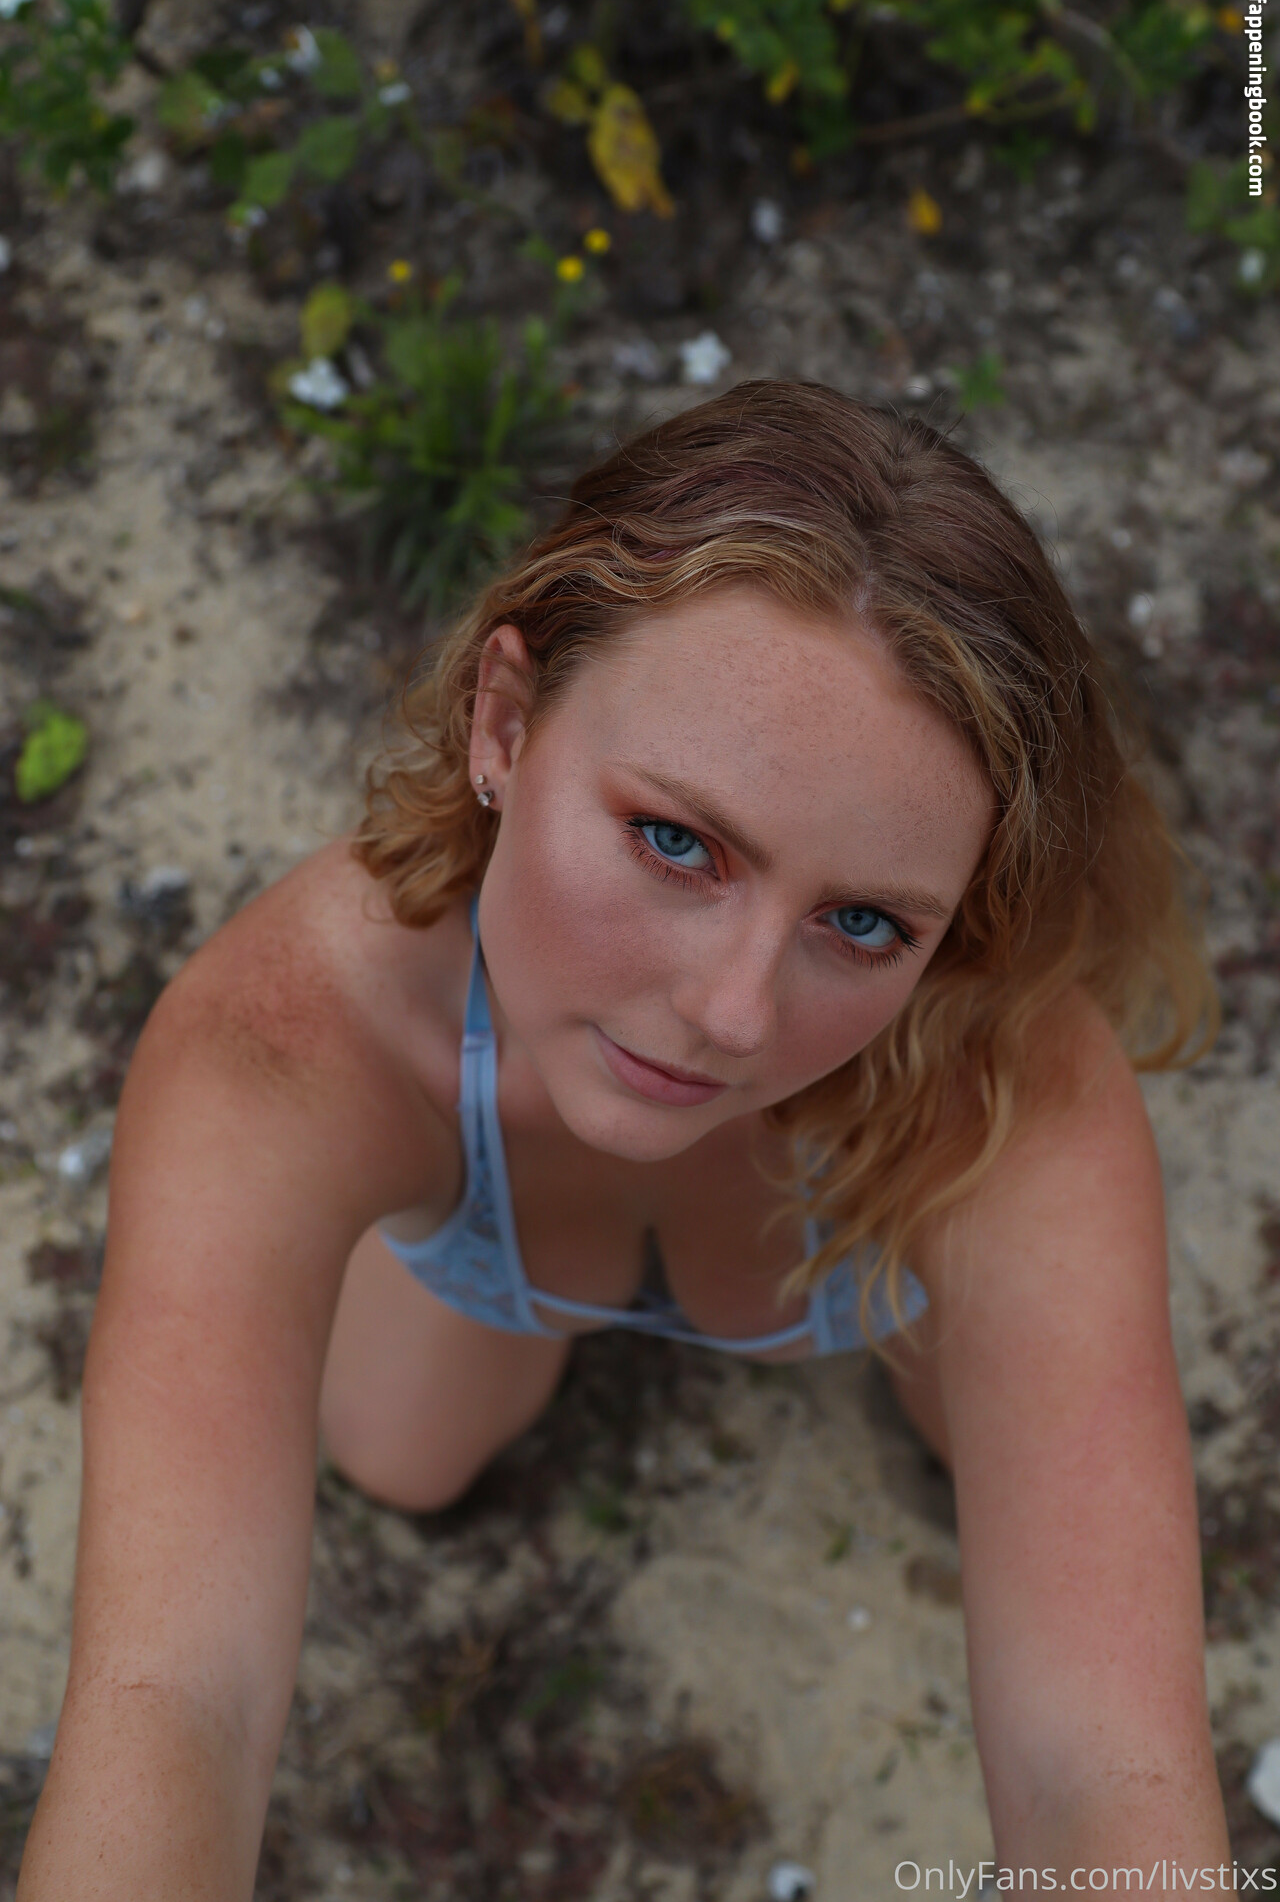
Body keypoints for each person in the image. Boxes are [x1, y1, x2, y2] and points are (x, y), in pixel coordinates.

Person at [19, 381, 1234, 1897]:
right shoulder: (285, 1044)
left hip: (857, 1232)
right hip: (510, 1228)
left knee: (988, 1454)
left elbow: (1101, 1771)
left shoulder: (1003, 1093)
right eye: (677, 841)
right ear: (506, 723)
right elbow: (172, 1699)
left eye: (864, 922)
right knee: (400, 1454)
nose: (734, 1014)